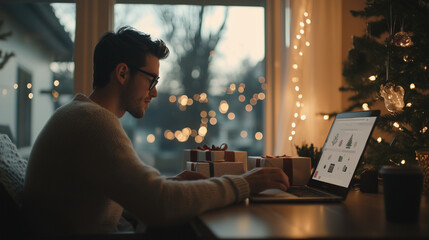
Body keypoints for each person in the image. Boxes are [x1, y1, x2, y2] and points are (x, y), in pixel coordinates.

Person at [23, 26, 290, 234]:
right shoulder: (92, 122)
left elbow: (115, 196)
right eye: (151, 79)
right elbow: (160, 205)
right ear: (123, 73)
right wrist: (246, 183)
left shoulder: (81, 115)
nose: (155, 91)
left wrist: (170, 184)